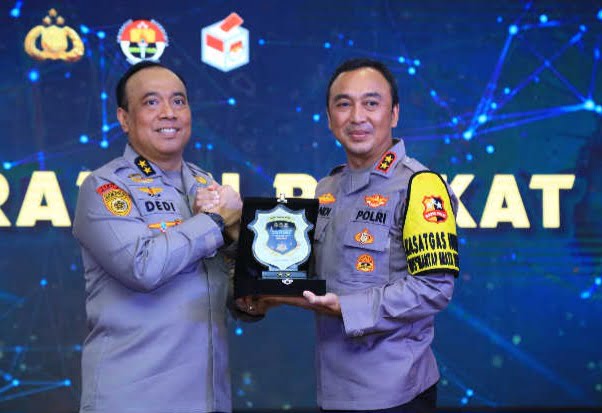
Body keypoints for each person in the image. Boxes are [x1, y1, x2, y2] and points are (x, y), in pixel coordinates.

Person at [240, 58, 460, 412]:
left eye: (371, 103)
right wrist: (265, 292)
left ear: (394, 114)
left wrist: (347, 307)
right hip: (332, 390)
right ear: (330, 119)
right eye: (344, 104)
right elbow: (307, 277)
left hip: (396, 394)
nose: (357, 117)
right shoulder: (326, 188)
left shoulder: (420, 186)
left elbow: (434, 289)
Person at [72, 61, 242, 413]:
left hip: (209, 398)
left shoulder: (205, 183)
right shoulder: (105, 186)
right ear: (124, 118)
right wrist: (214, 221)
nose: (169, 113)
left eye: (179, 101)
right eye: (151, 102)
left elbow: (214, 280)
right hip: (135, 399)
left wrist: (249, 296)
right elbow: (142, 267)